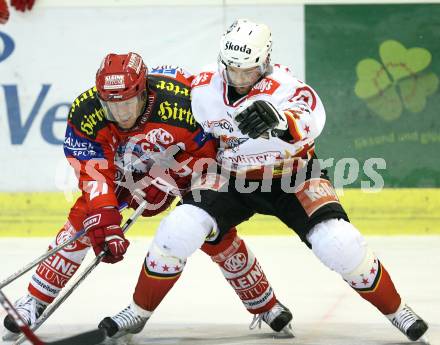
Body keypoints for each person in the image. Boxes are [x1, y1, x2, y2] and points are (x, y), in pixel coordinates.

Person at [99, 19, 429, 343]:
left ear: (265, 61)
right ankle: (138, 311)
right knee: (179, 227)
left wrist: (283, 123)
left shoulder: (287, 87)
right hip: (231, 177)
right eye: (233, 69)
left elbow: (312, 115)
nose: (240, 79)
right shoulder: (203, 85)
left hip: (293, 178)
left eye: (249, 71)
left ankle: (398, 311)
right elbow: (151, 85)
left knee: (338, 243)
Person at [2, 52, 293, 340]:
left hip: (190, 164)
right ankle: (33, 302)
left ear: (144, 92)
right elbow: (94, 173)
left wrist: (168, 178)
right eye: (112, 105)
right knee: (85, 221)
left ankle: (264, 304)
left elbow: (214, 153)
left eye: (128, 103)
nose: (122, 113)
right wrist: (107, 220)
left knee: (210, 229)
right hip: (129, 167)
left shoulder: (182, 105)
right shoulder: (86, 112)